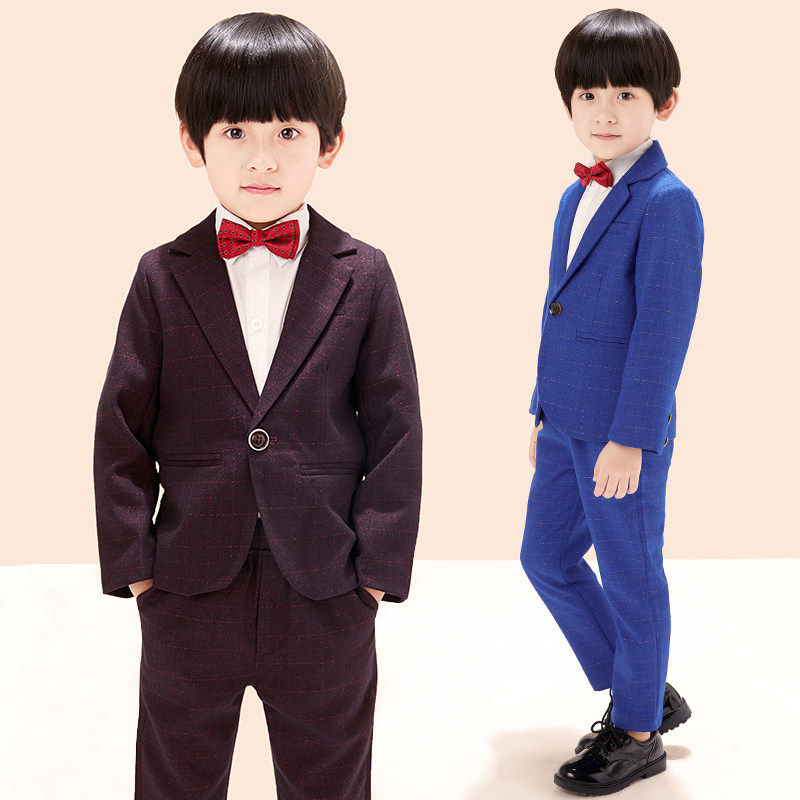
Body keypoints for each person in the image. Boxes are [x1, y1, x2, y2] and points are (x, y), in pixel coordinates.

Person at [94, 13, 422, 799]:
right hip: (186, 586)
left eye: (288, 132)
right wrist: (138, 573)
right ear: (192, 141)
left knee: (330, 776)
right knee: (173, 775)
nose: (262, 158)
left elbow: (397, 430)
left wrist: (374, 577)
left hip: (326, 587)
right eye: (235, 131)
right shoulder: (160, 274)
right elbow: (119, 432)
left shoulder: (365, 274)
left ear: (330, 144)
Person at [520, 8, 702, 795]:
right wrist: (540, 408)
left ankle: (636, 732)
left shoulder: (667, 202)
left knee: (632, 575)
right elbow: (557, 308)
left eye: (625, 93)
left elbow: (663, 333)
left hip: (621, 433)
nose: (603, 111)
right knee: (545, 557)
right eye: (587, 94)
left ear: (665, 103)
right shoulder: (576, 195)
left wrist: (631, 437)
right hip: (565, 422)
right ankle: (642, 683)